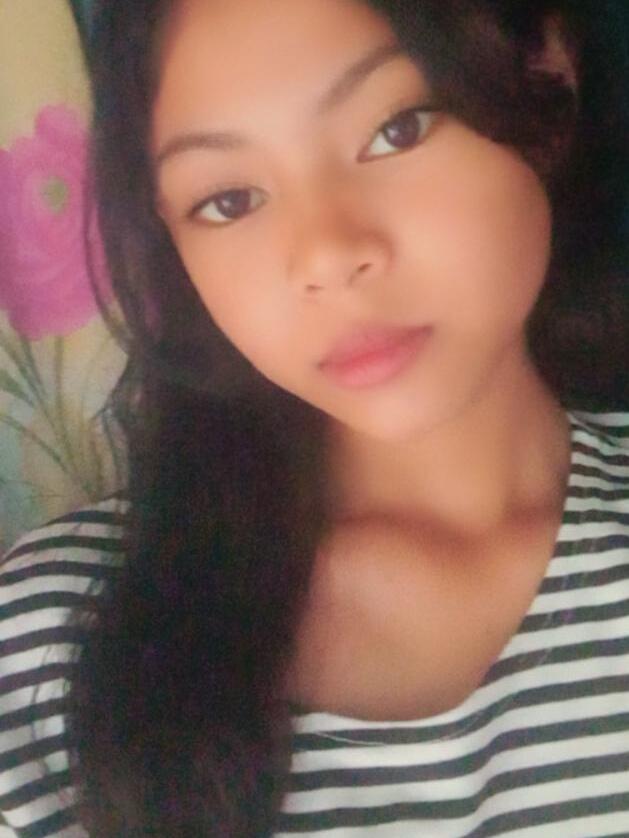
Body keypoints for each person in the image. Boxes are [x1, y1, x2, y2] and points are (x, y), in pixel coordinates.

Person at [1, 0, 628, 835]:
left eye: (395, 130)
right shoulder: (48, 643)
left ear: (545, 79)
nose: (326, 255)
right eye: (228, 199)